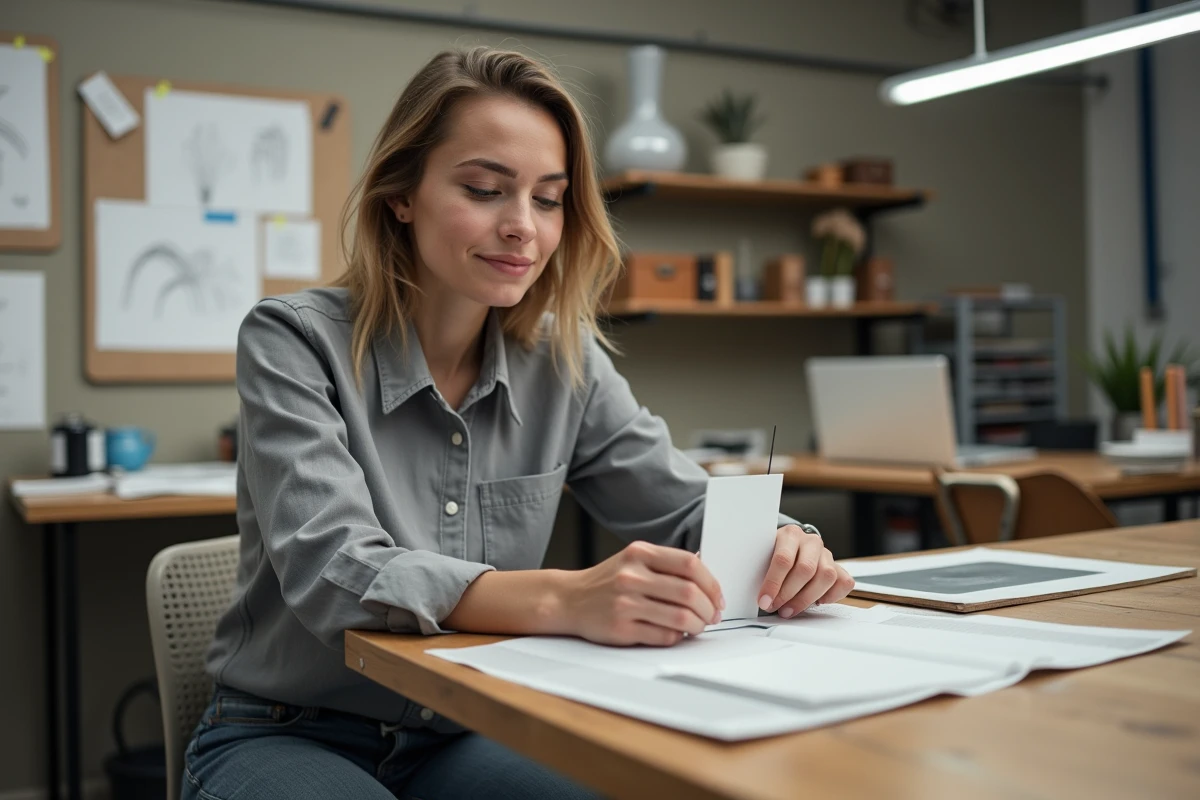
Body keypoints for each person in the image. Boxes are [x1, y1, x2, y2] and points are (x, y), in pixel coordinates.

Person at [182, 46, 854, 800]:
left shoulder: (566, 361)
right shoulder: (292, 338)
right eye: (484, 190)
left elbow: (681, 506)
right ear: (401, 194)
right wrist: (567, 600)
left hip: (466, 727)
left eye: (549, 199)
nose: (522, 228)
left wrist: (786, 544)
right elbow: (336, 571)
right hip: (287, 730)